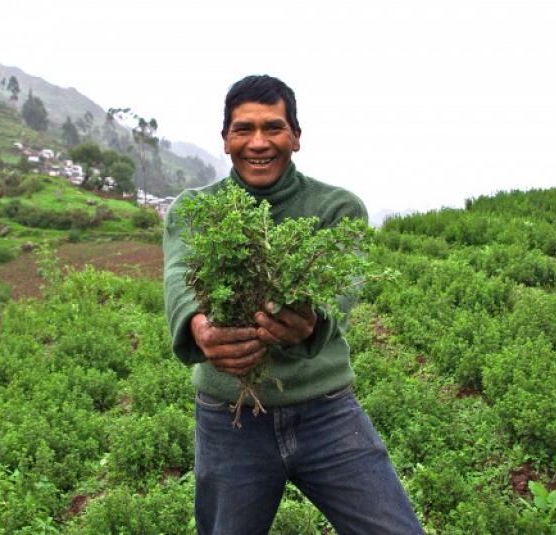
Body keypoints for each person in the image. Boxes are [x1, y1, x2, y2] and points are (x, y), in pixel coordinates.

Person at [163, 74, 424, 534]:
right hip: (230, 421)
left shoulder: (336, 208)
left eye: (274, 127)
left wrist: (310, 319)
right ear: (225, 140)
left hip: (326, 412)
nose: (258, 142)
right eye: (243, 129)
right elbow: (180, 278)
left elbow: (337, 292)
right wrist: (201, 327)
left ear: (296, 137)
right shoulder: (194, 209)